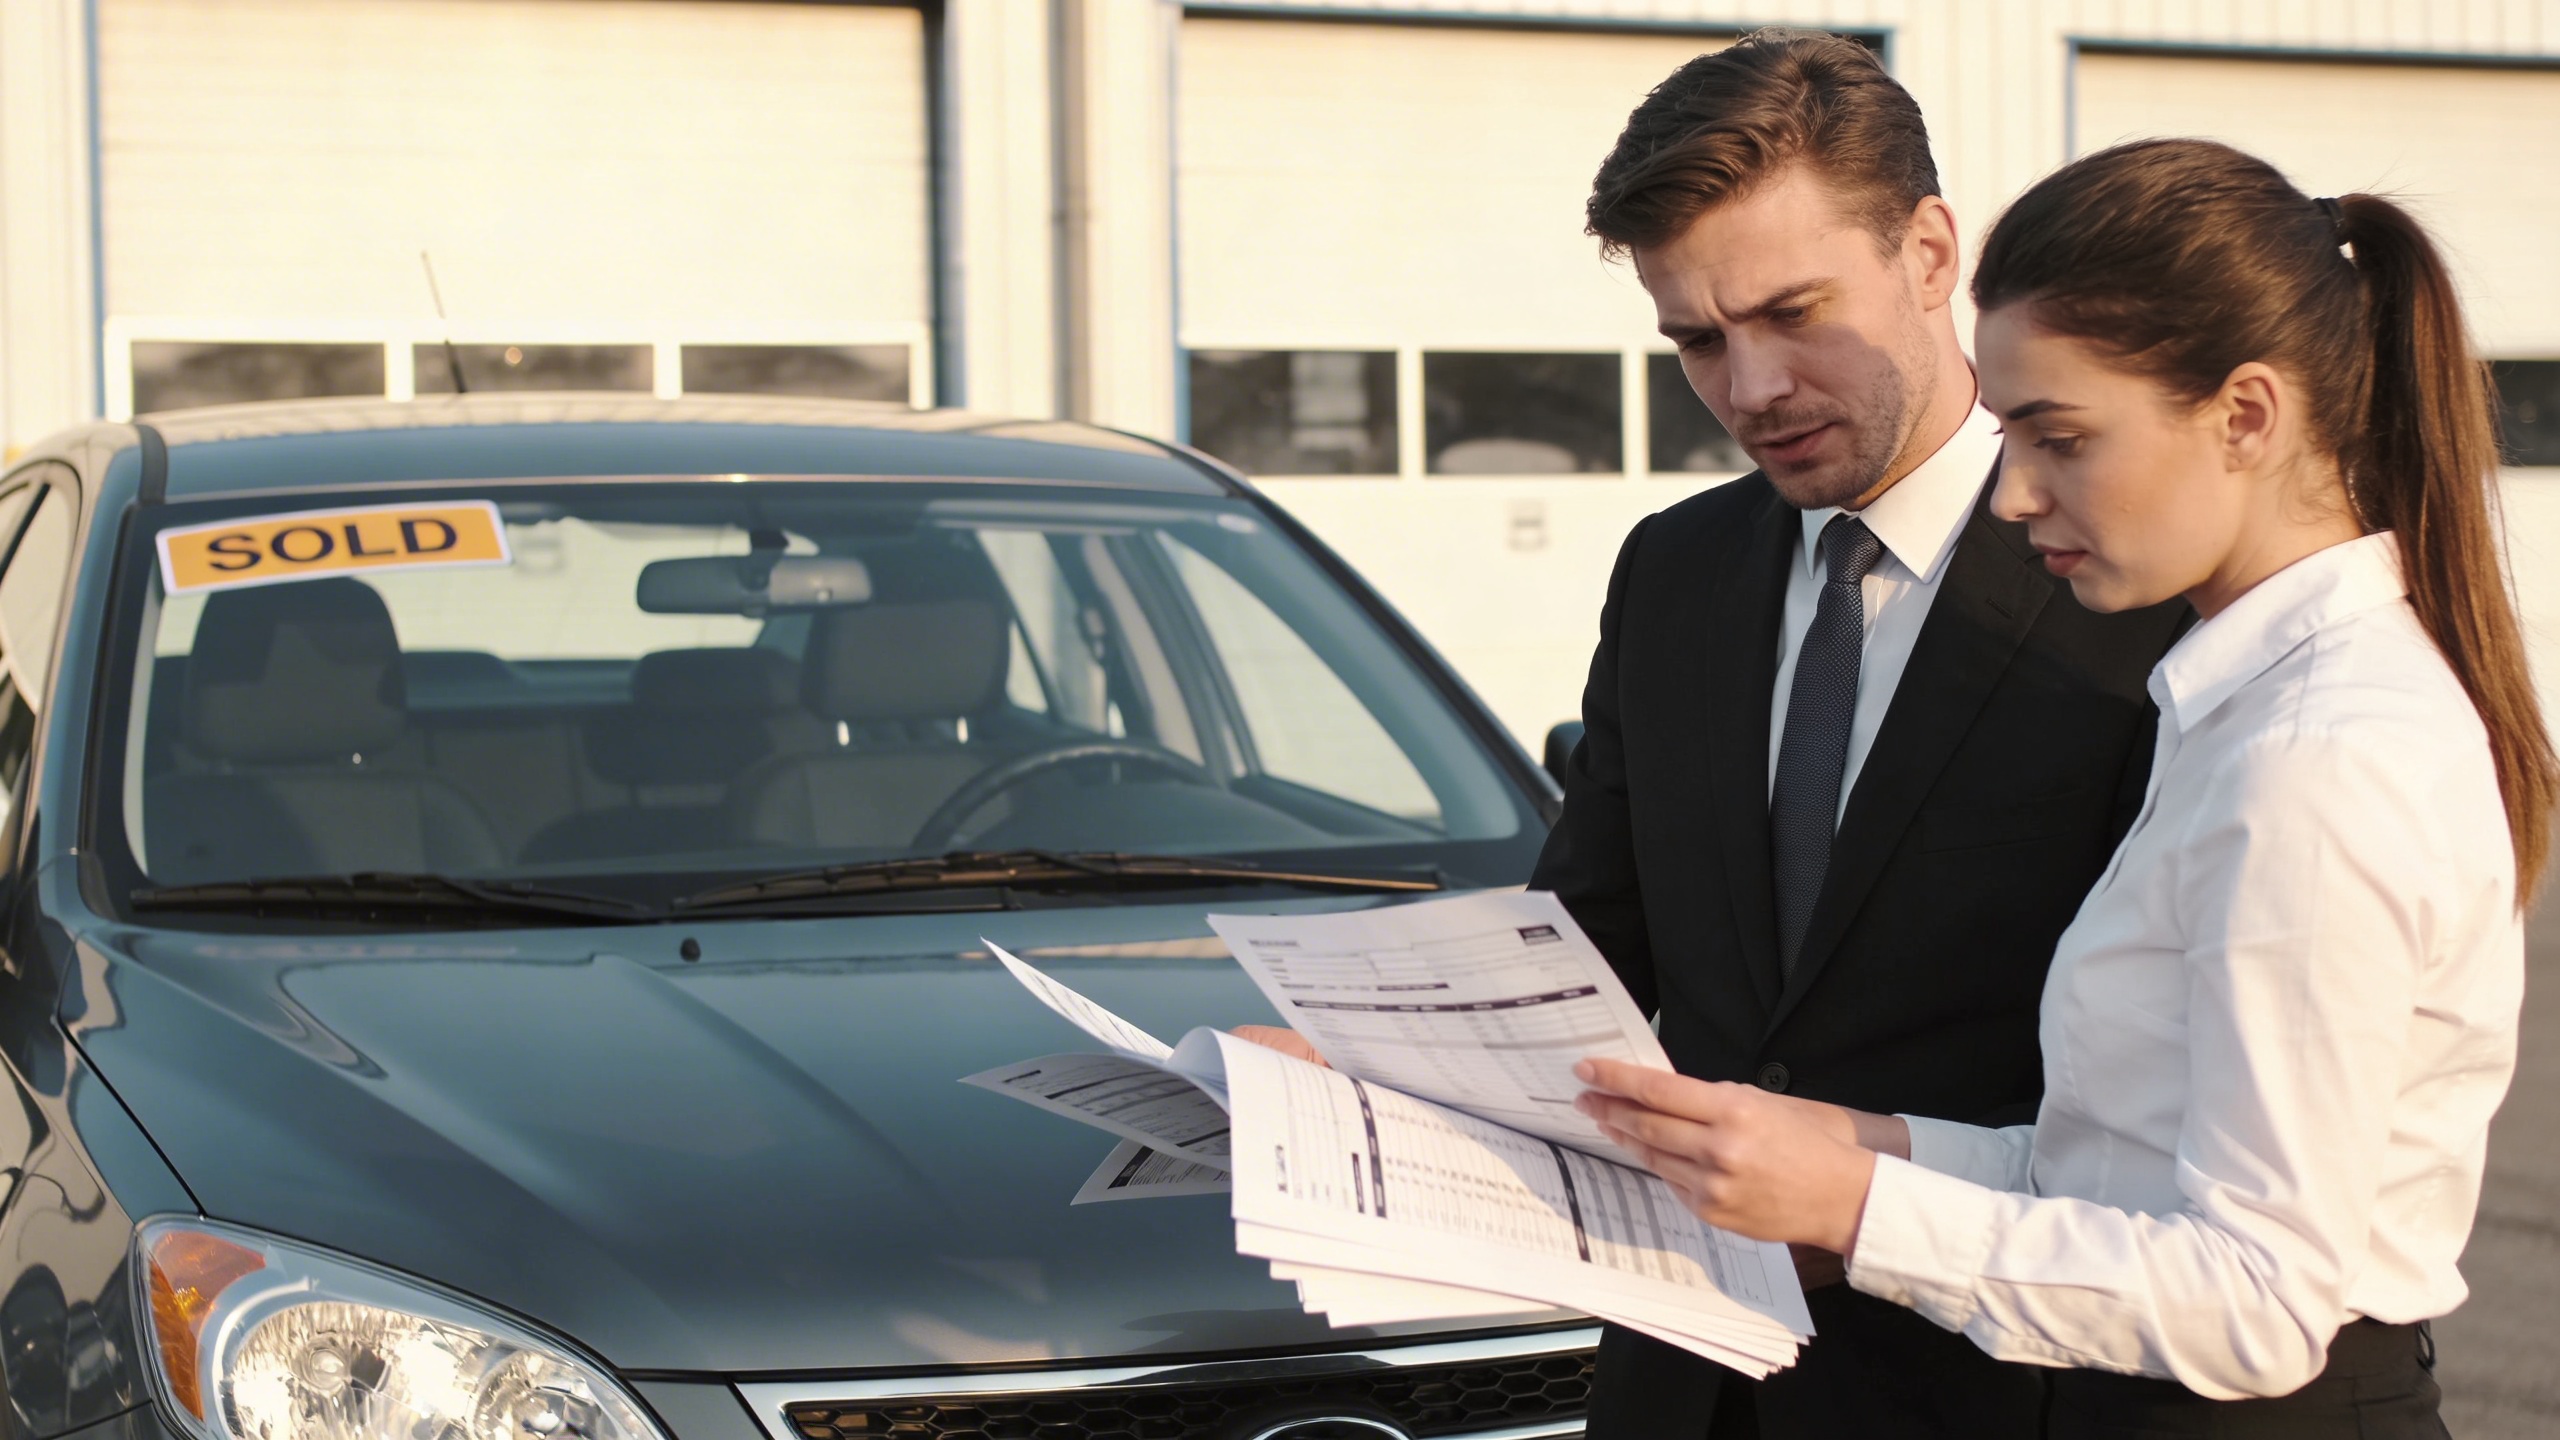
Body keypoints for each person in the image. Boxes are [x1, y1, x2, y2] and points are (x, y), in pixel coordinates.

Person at [1575, 136, 2550, 1439]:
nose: (2019, 491)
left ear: (2247, 416)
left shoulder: (2316, 759)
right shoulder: (2250, 703)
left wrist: (1859, 1206)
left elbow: (2259, 1298)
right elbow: (2116, 1172)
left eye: (2062, 438)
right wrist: (1843, 1160)